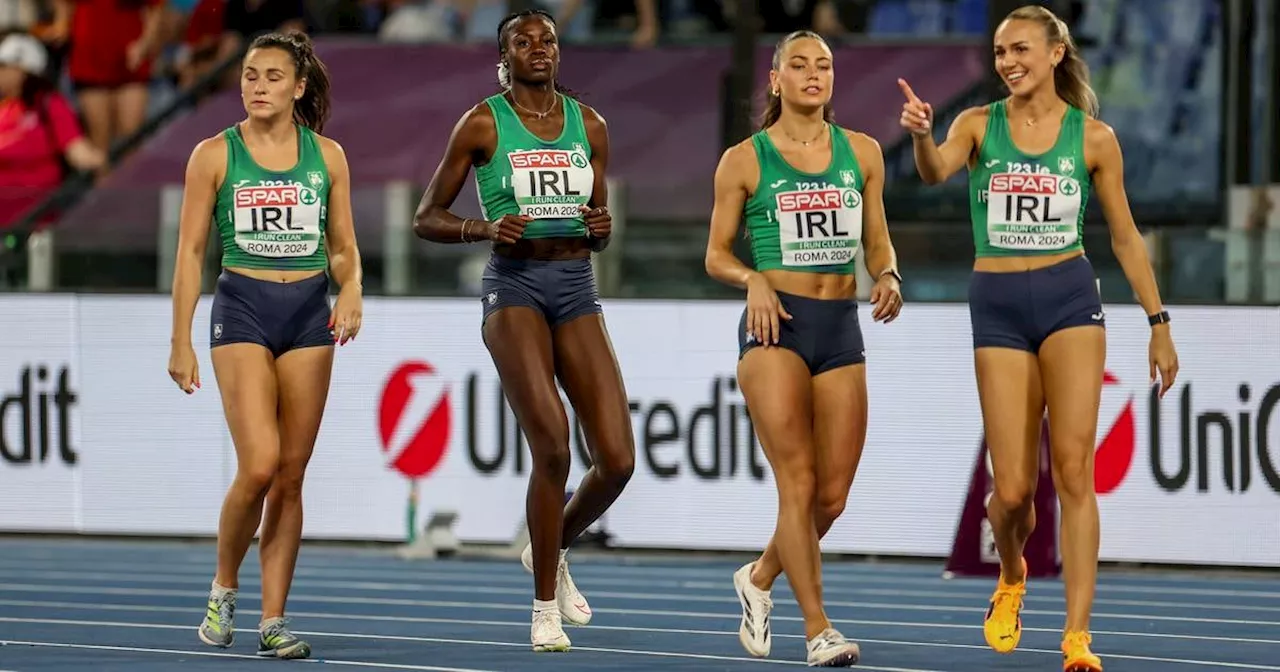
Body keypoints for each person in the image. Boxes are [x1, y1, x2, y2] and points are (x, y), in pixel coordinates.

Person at [898, 5, 1178, 671]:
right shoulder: (976, 125)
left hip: (1069, 301)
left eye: (1020, 48)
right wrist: (918, 135)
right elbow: (935, 172)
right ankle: (1013, 575)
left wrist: (1158, 322)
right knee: (1015, 491)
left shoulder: (1093, 139)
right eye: (999, 52)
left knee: (1075, 473)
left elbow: (1126, 237)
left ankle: (1077, 637)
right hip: (996, 306)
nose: (1008, 62)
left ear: (1056, 53)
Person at [412, 9, 635, 654]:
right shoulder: (483, 122)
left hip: (576, 287)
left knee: (617, 460)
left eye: (548, 40)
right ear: (503, 58)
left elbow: (595, 212)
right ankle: (543, 608)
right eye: (523, 41)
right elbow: (427, 216)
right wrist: (481, 228)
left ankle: (551, 544)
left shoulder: (590, 125)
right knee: (555, 447)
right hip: (513, 288)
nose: (539, 49)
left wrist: (603, 227)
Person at [705, 29, 903, 667]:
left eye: (824, 65)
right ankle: (818, 630)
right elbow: (714, 255)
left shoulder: (863, 153)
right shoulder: (746, 159)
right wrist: (753, 277)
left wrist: (890, 274)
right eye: (800, 65)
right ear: (775, 78)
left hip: (839, 325)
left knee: (832, 497)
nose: (814, 75)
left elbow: (877, 240)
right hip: (776, 329)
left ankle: (759, 577)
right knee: (797, 482)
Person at [167, 30, 363, 660]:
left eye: (273, 77)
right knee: (258, 465)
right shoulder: (214, 155)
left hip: (309, 314)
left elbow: (341, 245)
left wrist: (353, 286)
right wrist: (180, 339)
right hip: (244, 308)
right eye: (250, 75)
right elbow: (192, 253)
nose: (257, 86)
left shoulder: (327, 156)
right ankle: (224, 588)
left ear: (299, 86)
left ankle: (273, 619)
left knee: (291, 476)